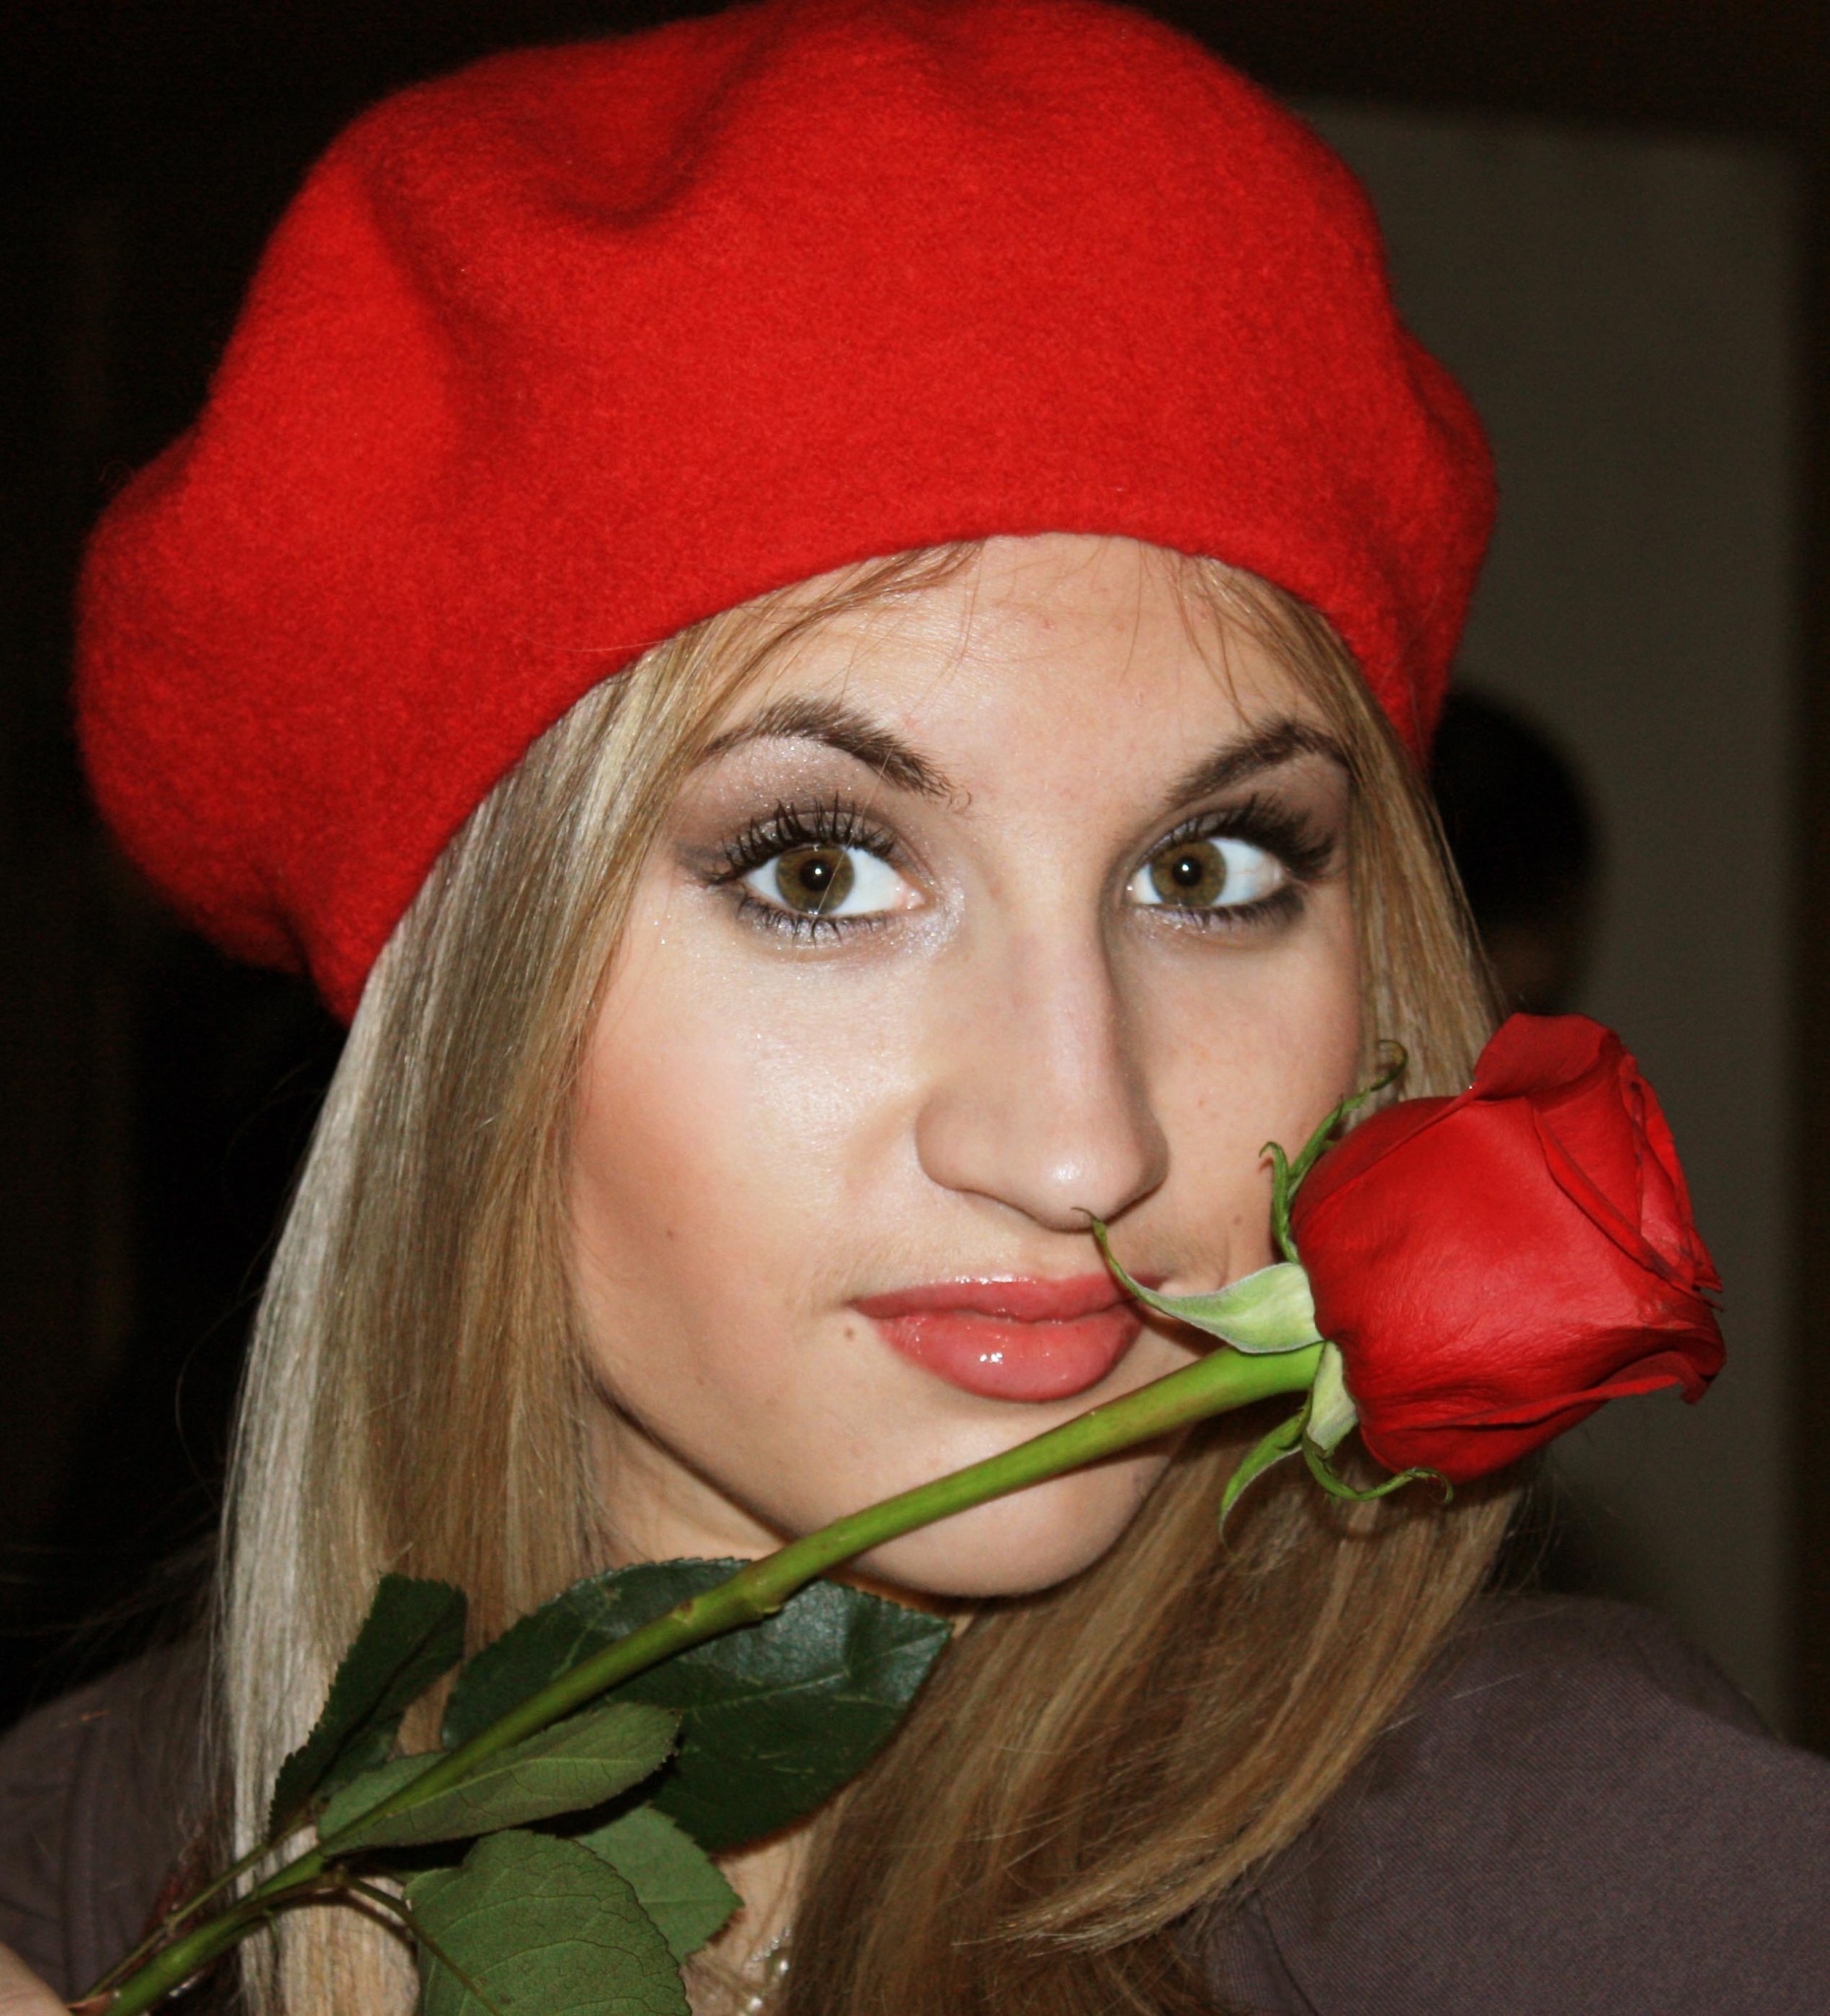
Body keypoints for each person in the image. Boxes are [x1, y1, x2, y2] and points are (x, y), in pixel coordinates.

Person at [3, 4, 1827, 2013]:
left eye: (1209, 870)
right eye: (820, 873)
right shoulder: (85, 1869)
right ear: (467, 1020)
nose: (1085, 1141)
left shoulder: (1597, 1885)